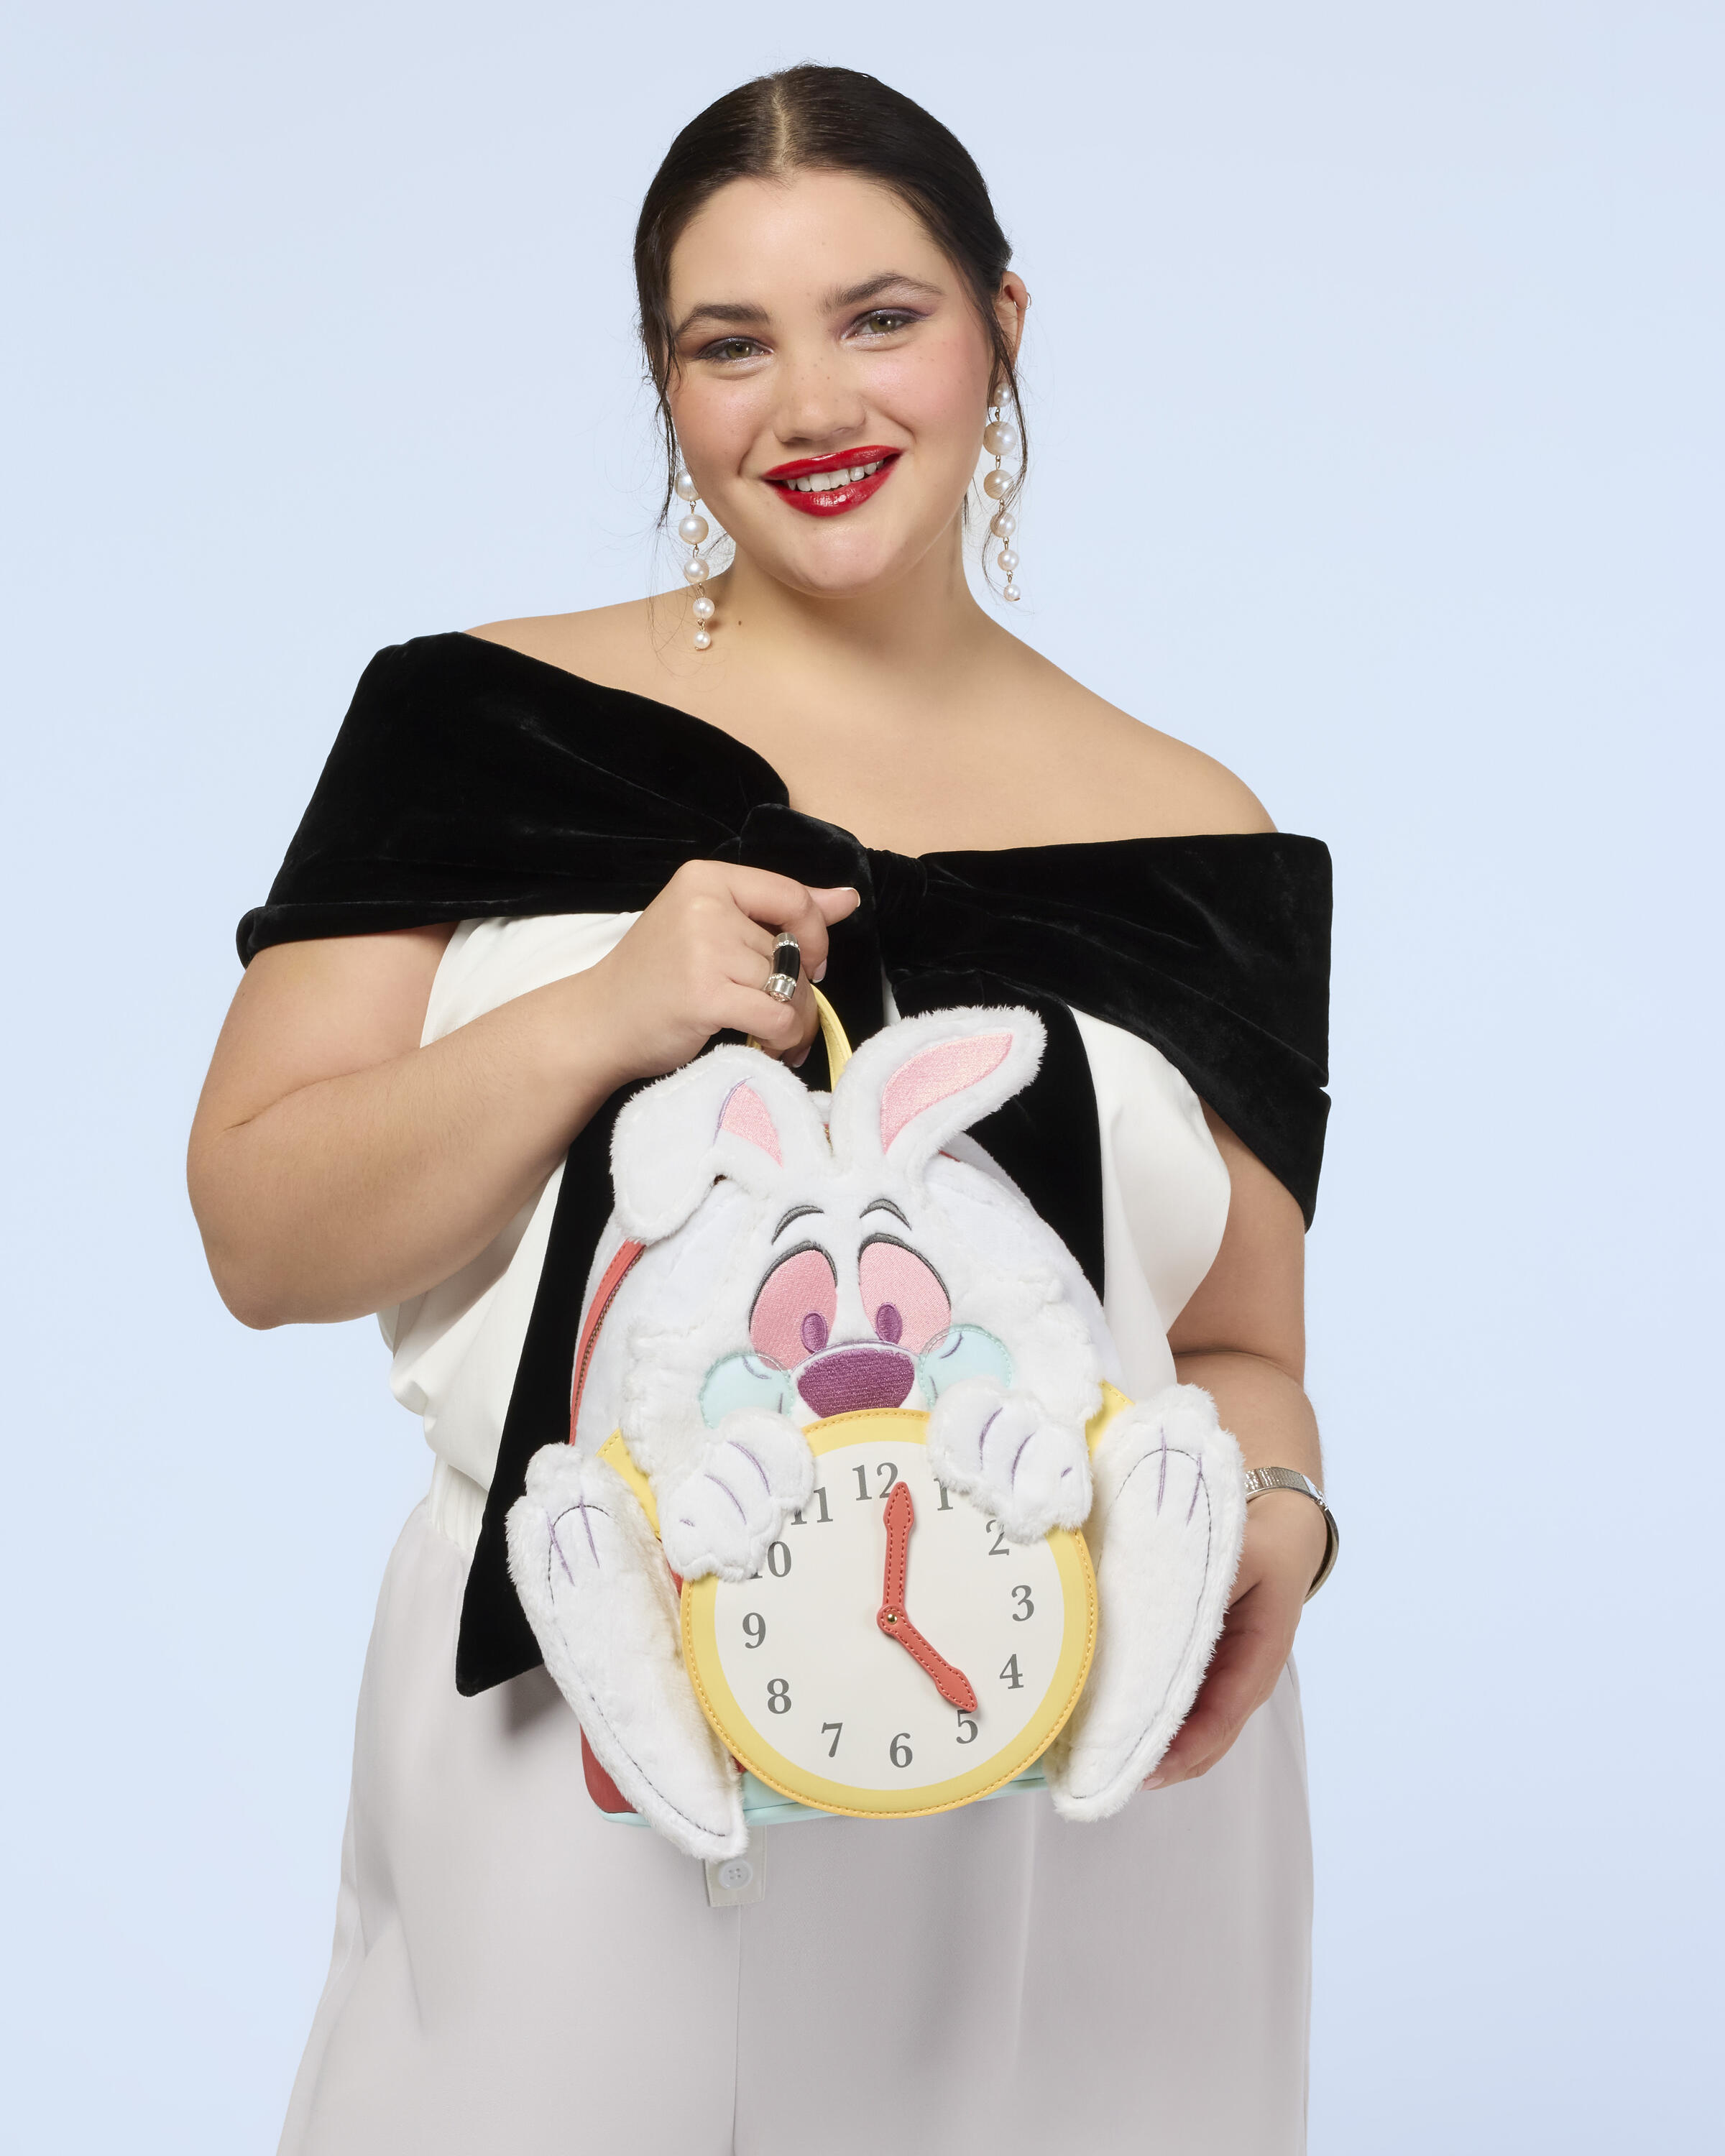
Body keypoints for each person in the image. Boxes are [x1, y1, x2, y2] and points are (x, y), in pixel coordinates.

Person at [189, 64, 1334, 2156]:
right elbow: (261, 1234)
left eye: (880, 318)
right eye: (732, 344)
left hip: (1076, 1757)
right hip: (595, 1716)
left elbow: (1245, 1347)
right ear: (665, 382)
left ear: (1001, 324)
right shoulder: (483, 727)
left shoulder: (1198, 837)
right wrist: (604, 1012)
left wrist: (1278, 1522)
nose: (811, 405)